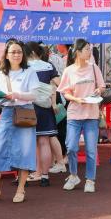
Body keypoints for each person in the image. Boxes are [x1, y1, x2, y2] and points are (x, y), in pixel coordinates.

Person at [0, 39, 39, 203]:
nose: (16, 55)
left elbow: (35, 95)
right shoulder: (2, 73)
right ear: (6, 55)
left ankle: (21, 189)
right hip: (6, 112)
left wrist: (17, 95)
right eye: (13, 52)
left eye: (19, 52)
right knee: (0, 148)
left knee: (25, 151)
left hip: (25, 112)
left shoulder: (29, 71)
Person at [57, 39, 105, 193]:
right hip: (74, 113)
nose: (89, 52)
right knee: (71, 147)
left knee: (91, 149)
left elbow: (102, 86)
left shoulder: (94, 68)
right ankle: (73, 175)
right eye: (86, 49)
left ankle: (90, 180)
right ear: (77, 52)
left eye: (90, 49)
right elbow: (65, 92)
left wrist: (99, 90)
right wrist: (77, 99)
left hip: (91, 114)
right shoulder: (69, 70)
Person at [26, 42, 64, 187]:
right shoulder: (48, 66)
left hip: (28, 106)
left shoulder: (24, 67)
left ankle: (34, 173)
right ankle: (44, 175)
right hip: (45, 107)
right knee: (44, 141)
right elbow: (60, 84)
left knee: (34, 142)